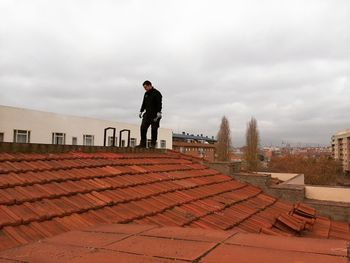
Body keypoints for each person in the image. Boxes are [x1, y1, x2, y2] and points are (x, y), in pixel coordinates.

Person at [137, 80, 162, 148]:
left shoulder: (157, 93)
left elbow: (159, 104)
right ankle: (143, 144)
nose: (145, 89)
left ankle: (153, 144)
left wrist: (159, 112)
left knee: (154, 129)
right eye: (144, 88)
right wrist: (141, 111)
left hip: (155, 115)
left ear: (150, 85)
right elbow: (144, 103)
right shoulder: (146, 94)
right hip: (147, 114)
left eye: (146, 87)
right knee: (143, 128)